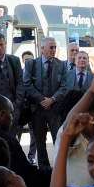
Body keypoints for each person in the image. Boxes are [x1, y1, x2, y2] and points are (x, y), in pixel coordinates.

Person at [23, 36, 67, 169]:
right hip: (37, 110)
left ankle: (60, 168)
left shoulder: (61, 65)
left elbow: (64, 86)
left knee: (58, 140)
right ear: (42, 49)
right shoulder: (31, 64)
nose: (54, 50)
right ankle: (44, 169)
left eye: (55, 47)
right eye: (51, 47)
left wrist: (52, 99)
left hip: (54, 110)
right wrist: (41, 100)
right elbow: (27, 84)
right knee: (40, 141)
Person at [21, 51, 37, 164]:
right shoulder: (18, 72)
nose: (28, 62)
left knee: (34, 134)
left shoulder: (37, 74)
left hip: (33, 108)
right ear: (23, 61)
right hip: (20, 108)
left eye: (31, 60)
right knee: (16, 133)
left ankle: (31, 156)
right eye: (26, 60)